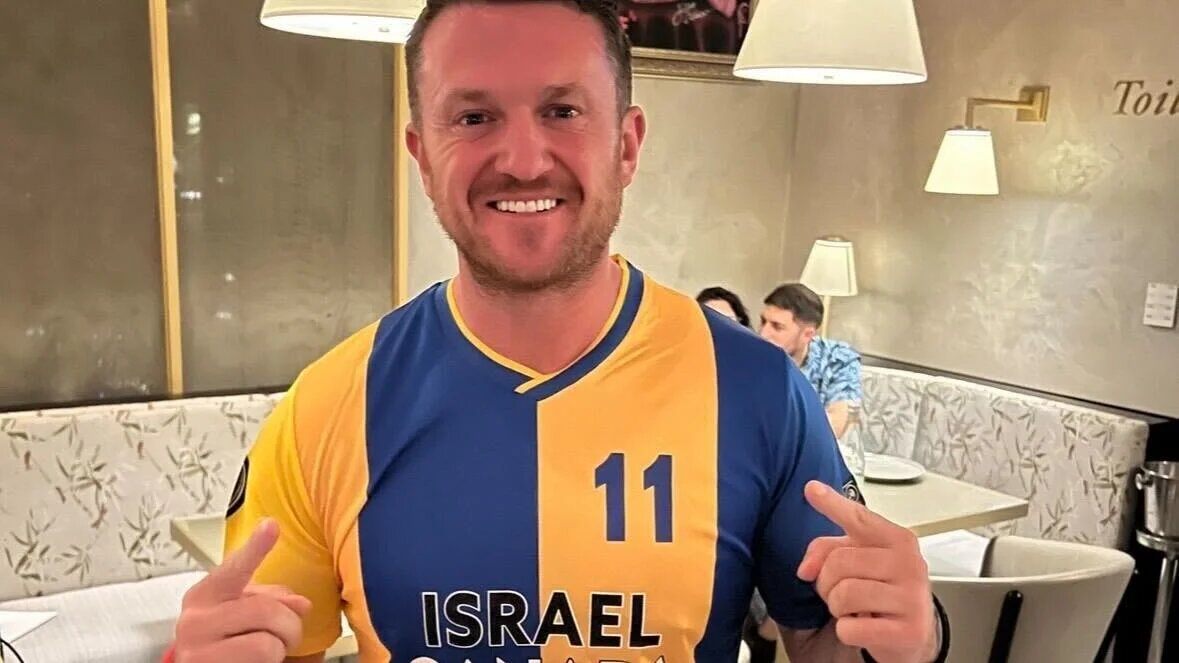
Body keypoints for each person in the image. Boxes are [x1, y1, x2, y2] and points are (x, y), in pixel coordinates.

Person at [167, 2, 948, 663]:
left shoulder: (758, 390)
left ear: (626, 144)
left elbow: (825, 641)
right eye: (473, 117)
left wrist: (911, 637)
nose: (521, 158)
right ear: (421, 155)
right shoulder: (327, 405)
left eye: (562, 111)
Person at [759, 283, 863, 439]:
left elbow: (836, 424)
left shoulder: (838, 358)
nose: (763, 333)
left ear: (807, 335)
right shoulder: (752, 355)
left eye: (777, 327)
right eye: (763, 321)